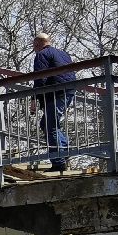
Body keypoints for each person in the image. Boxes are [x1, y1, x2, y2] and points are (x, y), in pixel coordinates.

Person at [31, 31, 75, 171]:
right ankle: (65, 150)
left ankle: (58, 161)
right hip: (68, 91)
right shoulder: (63, 54)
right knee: (47, 123)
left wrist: (34, 99)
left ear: (37, 44)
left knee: (51, 126)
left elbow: (40, 78)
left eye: (34, 45)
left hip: (55, 94)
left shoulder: (42, 55)